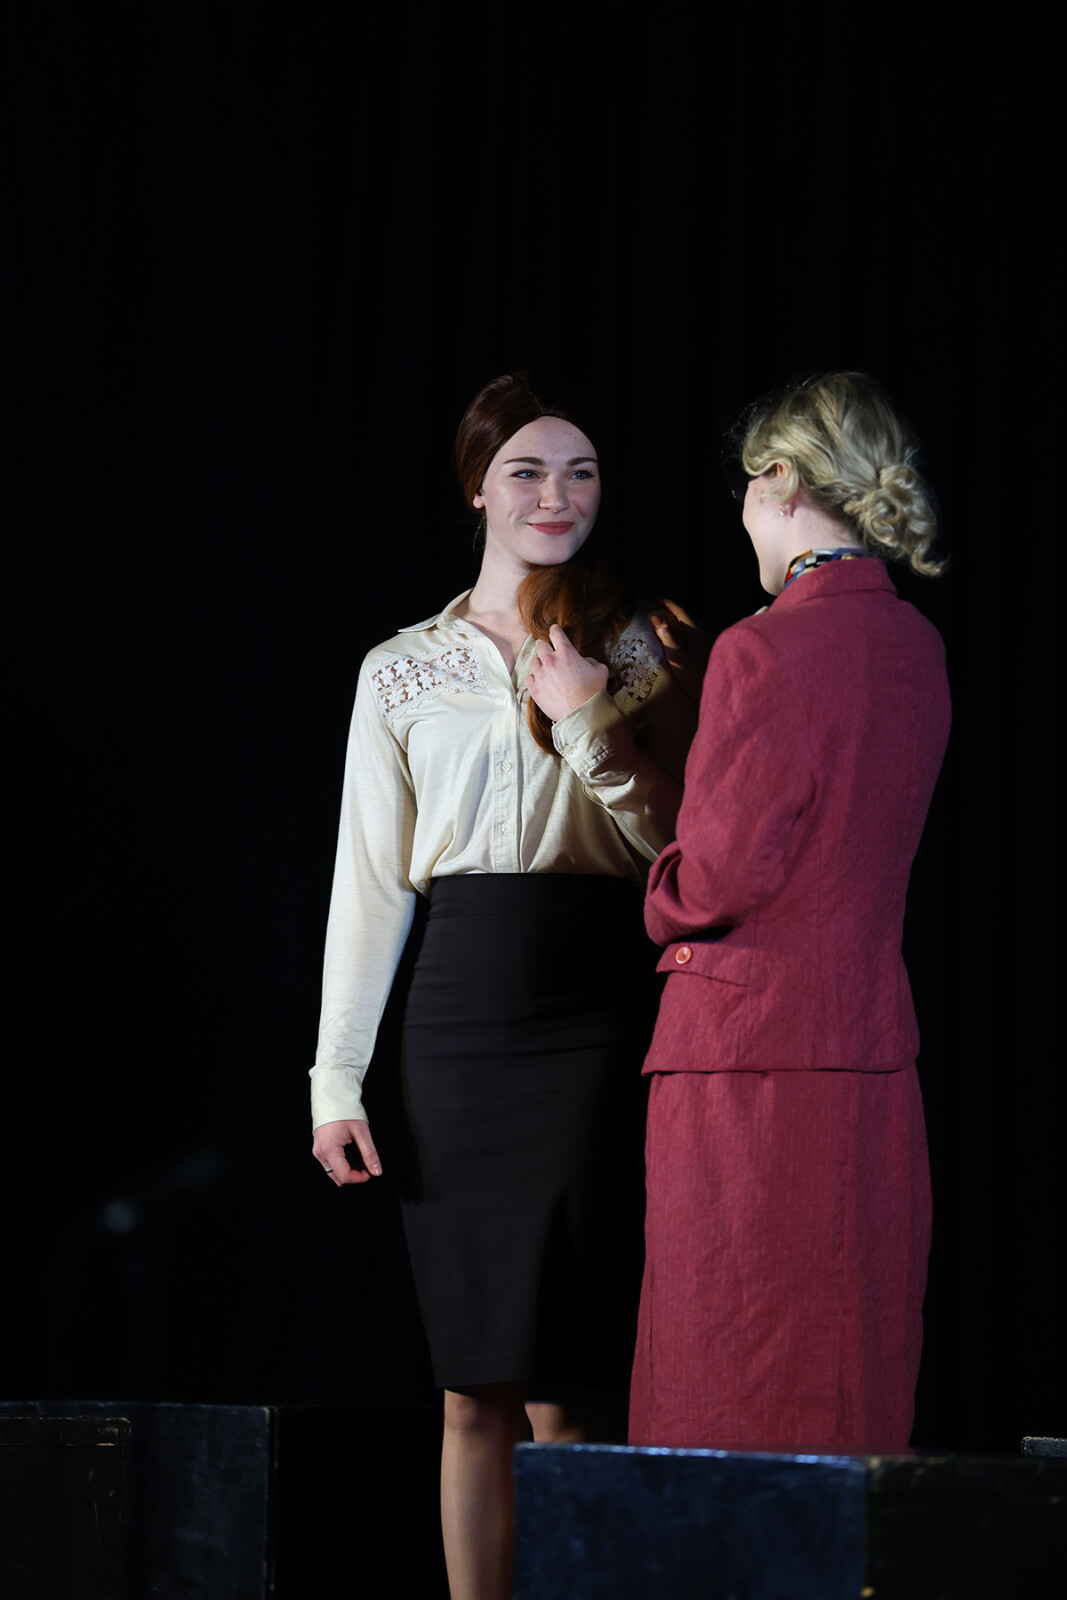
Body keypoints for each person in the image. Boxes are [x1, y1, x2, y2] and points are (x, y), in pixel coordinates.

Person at [310, 373, 693, 1600]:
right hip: (456, 1018)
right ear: (478, 487)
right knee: (469, 1388)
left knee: (570, 1387)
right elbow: (370, 884)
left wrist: (584, 721)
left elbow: (684, 848)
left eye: (580, 472)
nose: (555, 495)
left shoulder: (645, 642)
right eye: (526, 471)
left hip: (596, 1003)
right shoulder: (398, 669)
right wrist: (335, 1078)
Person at [630, 371, 950, 1455]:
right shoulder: (914, 645)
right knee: (849, 1389)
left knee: (721, 1389)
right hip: (869, 1059)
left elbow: (717, 878)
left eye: (746, 488)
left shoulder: (762, 647)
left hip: (745, 1068)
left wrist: (659, 888)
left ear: (779, 482)